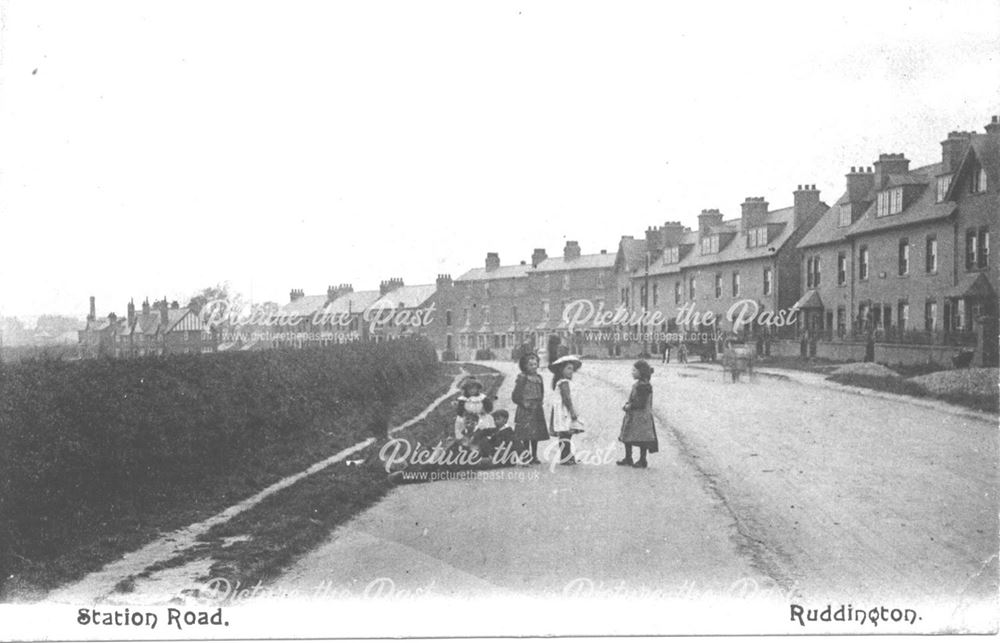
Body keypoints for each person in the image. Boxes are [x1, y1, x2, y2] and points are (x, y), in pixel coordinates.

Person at [617, 360, 659, 468]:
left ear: (641, 372)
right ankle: (628, 458)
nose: (632, 372)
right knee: (627, 435)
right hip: (634, 416)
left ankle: (642, 460)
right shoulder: (638, 384)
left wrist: (629, 406)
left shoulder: (643, 386)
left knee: (642, 438)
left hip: (641, 417)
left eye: (634, 370)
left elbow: (640, 403)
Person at [511, 352, 549, 465]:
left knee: (535, 433)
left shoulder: (539, 378)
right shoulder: (522, 378)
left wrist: (540, 401)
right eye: (530, 365)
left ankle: (535, 455)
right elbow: (515, 396)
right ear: (524, 366)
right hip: (525, 409)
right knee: (526, 434)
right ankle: (526, 455)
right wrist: (523, 403)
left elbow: (542, 391)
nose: (533, 367)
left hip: (536, 408)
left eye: (535, 364)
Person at [548, 354, 584, 466]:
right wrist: (572, 411)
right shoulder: (563, 382)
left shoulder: (566, 382)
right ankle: (565, 457)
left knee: (567, 435)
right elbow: (566, 398)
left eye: (572, 369)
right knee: (565, 435)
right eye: (568, 368)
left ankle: (568, 455)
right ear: (561, 370)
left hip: (565, 411)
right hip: (564, 412)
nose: (571, 371)